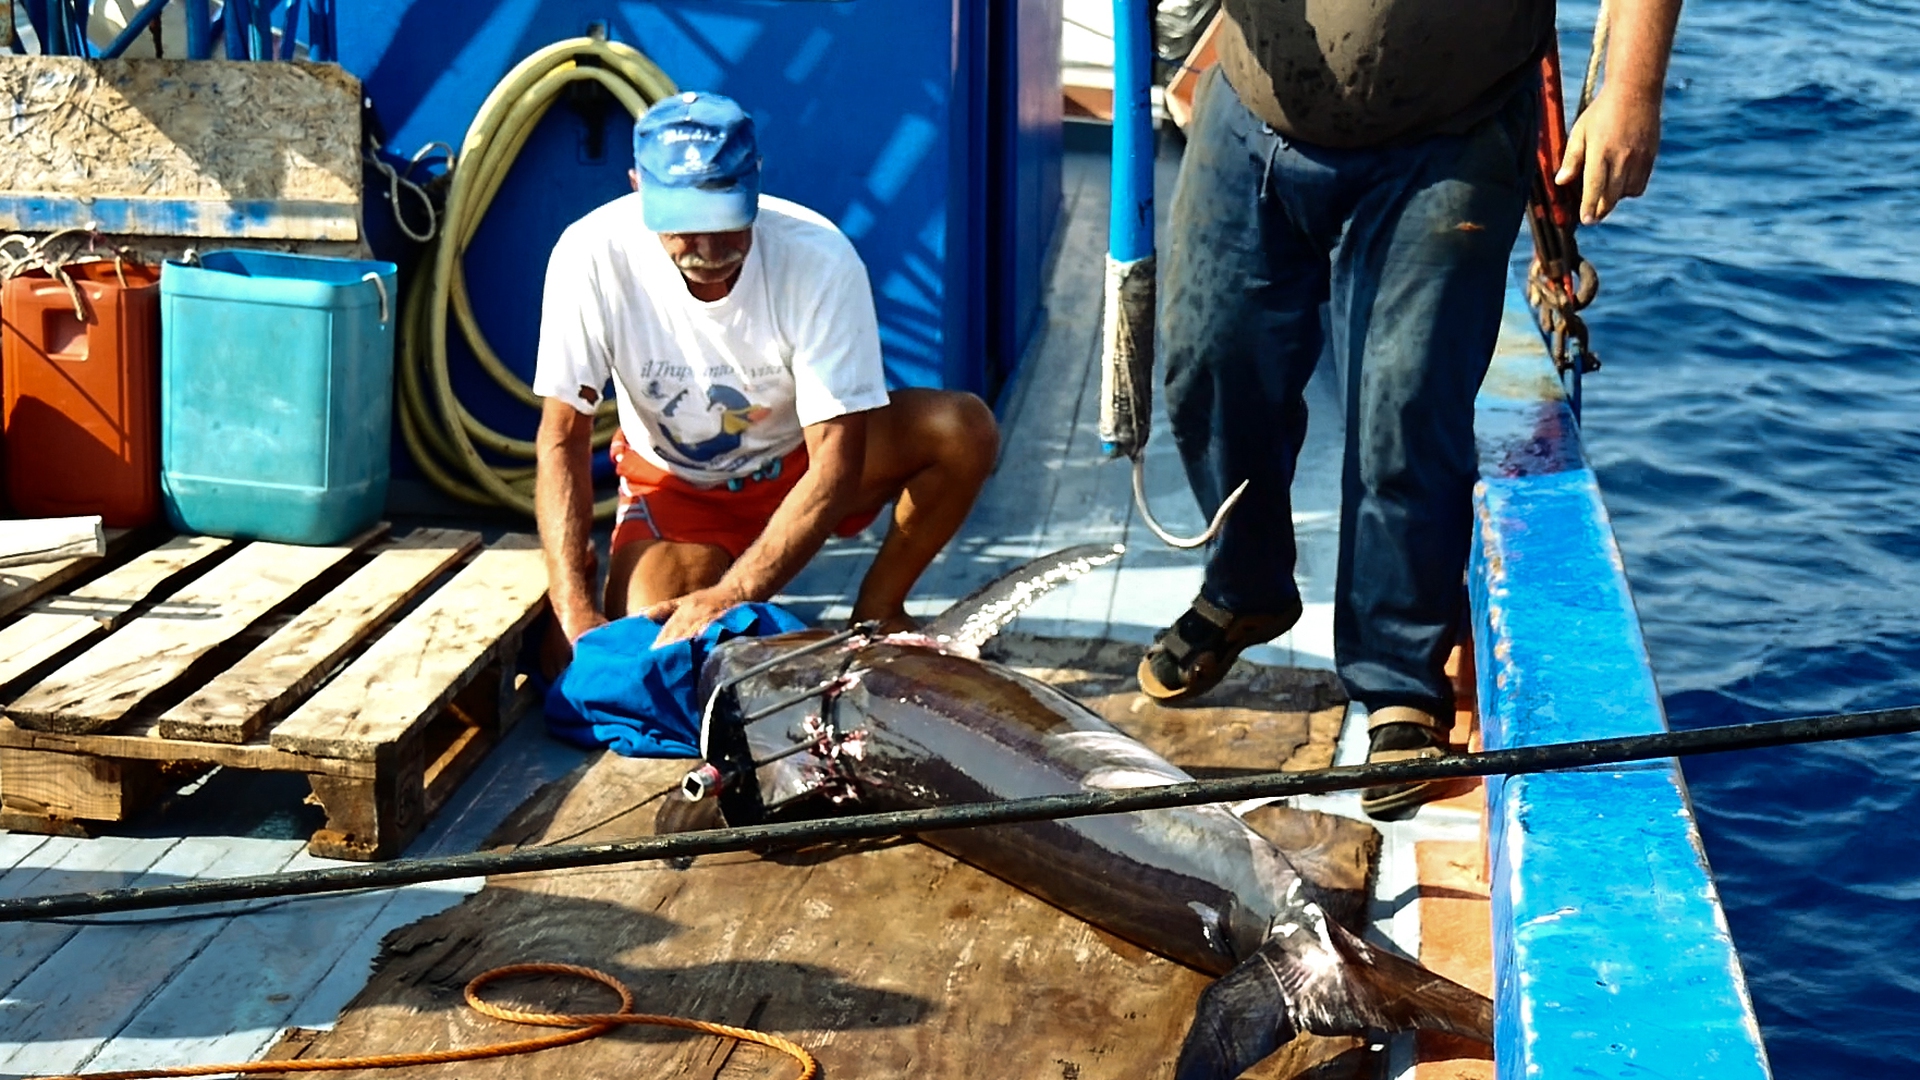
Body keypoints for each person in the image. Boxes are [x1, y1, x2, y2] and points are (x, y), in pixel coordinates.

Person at [1136, 2, 1681, 818]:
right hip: (1254, 108)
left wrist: (1631, 90)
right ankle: (1246, 585)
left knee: (1405, 407)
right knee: (1209, 369)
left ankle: (1398, 679)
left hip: (1447, 134)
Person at [533, 92, 998, 668]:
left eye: (726, 222)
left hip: (801, 459)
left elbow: (834, 459)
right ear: (636, 188)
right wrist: (573, 610)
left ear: (755, 180)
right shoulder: (590, 254)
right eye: (682, 227)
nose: (707, 250)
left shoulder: (819, 258)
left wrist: (732, 593)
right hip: (679, 487)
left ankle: (878, 613)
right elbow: (562, 437)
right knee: (658, 658)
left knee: (960, 427)